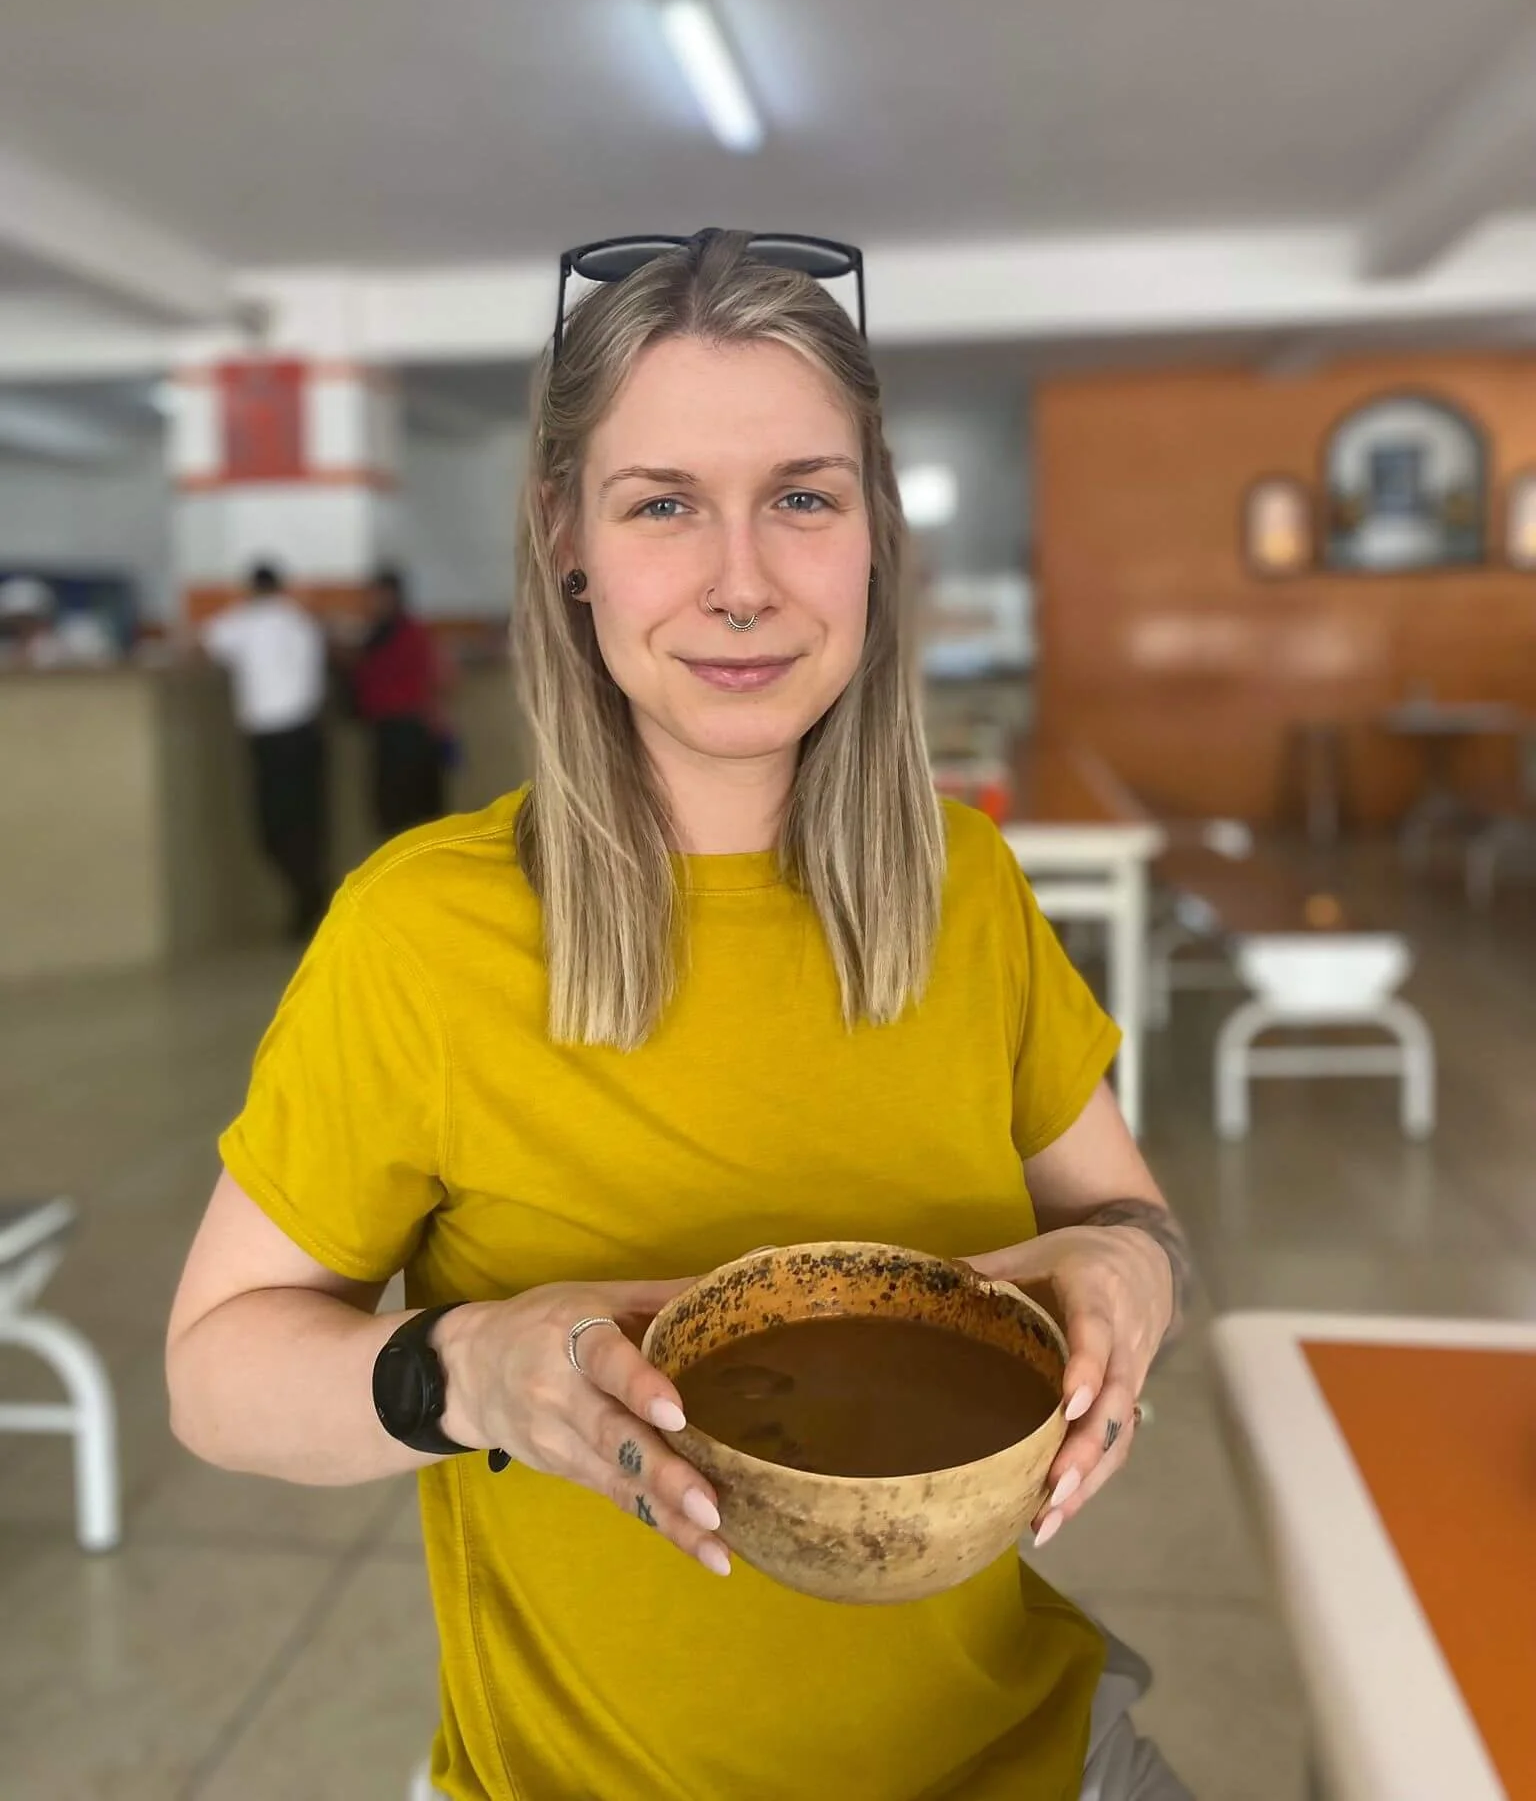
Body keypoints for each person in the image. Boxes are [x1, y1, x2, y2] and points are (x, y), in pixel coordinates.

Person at [167, 231, 1193, 1801]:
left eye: (803, 496)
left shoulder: (963, 883)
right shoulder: (423, 933)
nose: (741, 581)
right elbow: (216, 1374)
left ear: (872, 535)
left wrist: (1129, 1267)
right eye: (662, 504)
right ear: (565, 537)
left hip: (1034, 1753)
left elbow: (1128, 1213)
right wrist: (463, 1370)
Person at [200, 563, 328, 939]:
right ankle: (310, 898)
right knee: (307, 825)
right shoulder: (301, 622)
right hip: (308, 735)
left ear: (251, 590)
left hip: (272, 741)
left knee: (273, 830)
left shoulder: (244, 621)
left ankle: (306, 900)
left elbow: (200, 643)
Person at [349, 565, 447, 837]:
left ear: (390, 595)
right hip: (404, 734)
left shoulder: (395, 635)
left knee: (402, 819)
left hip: (403, 735)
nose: (370, 602)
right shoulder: (399, 632)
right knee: (417, 819)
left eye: (375, 595)